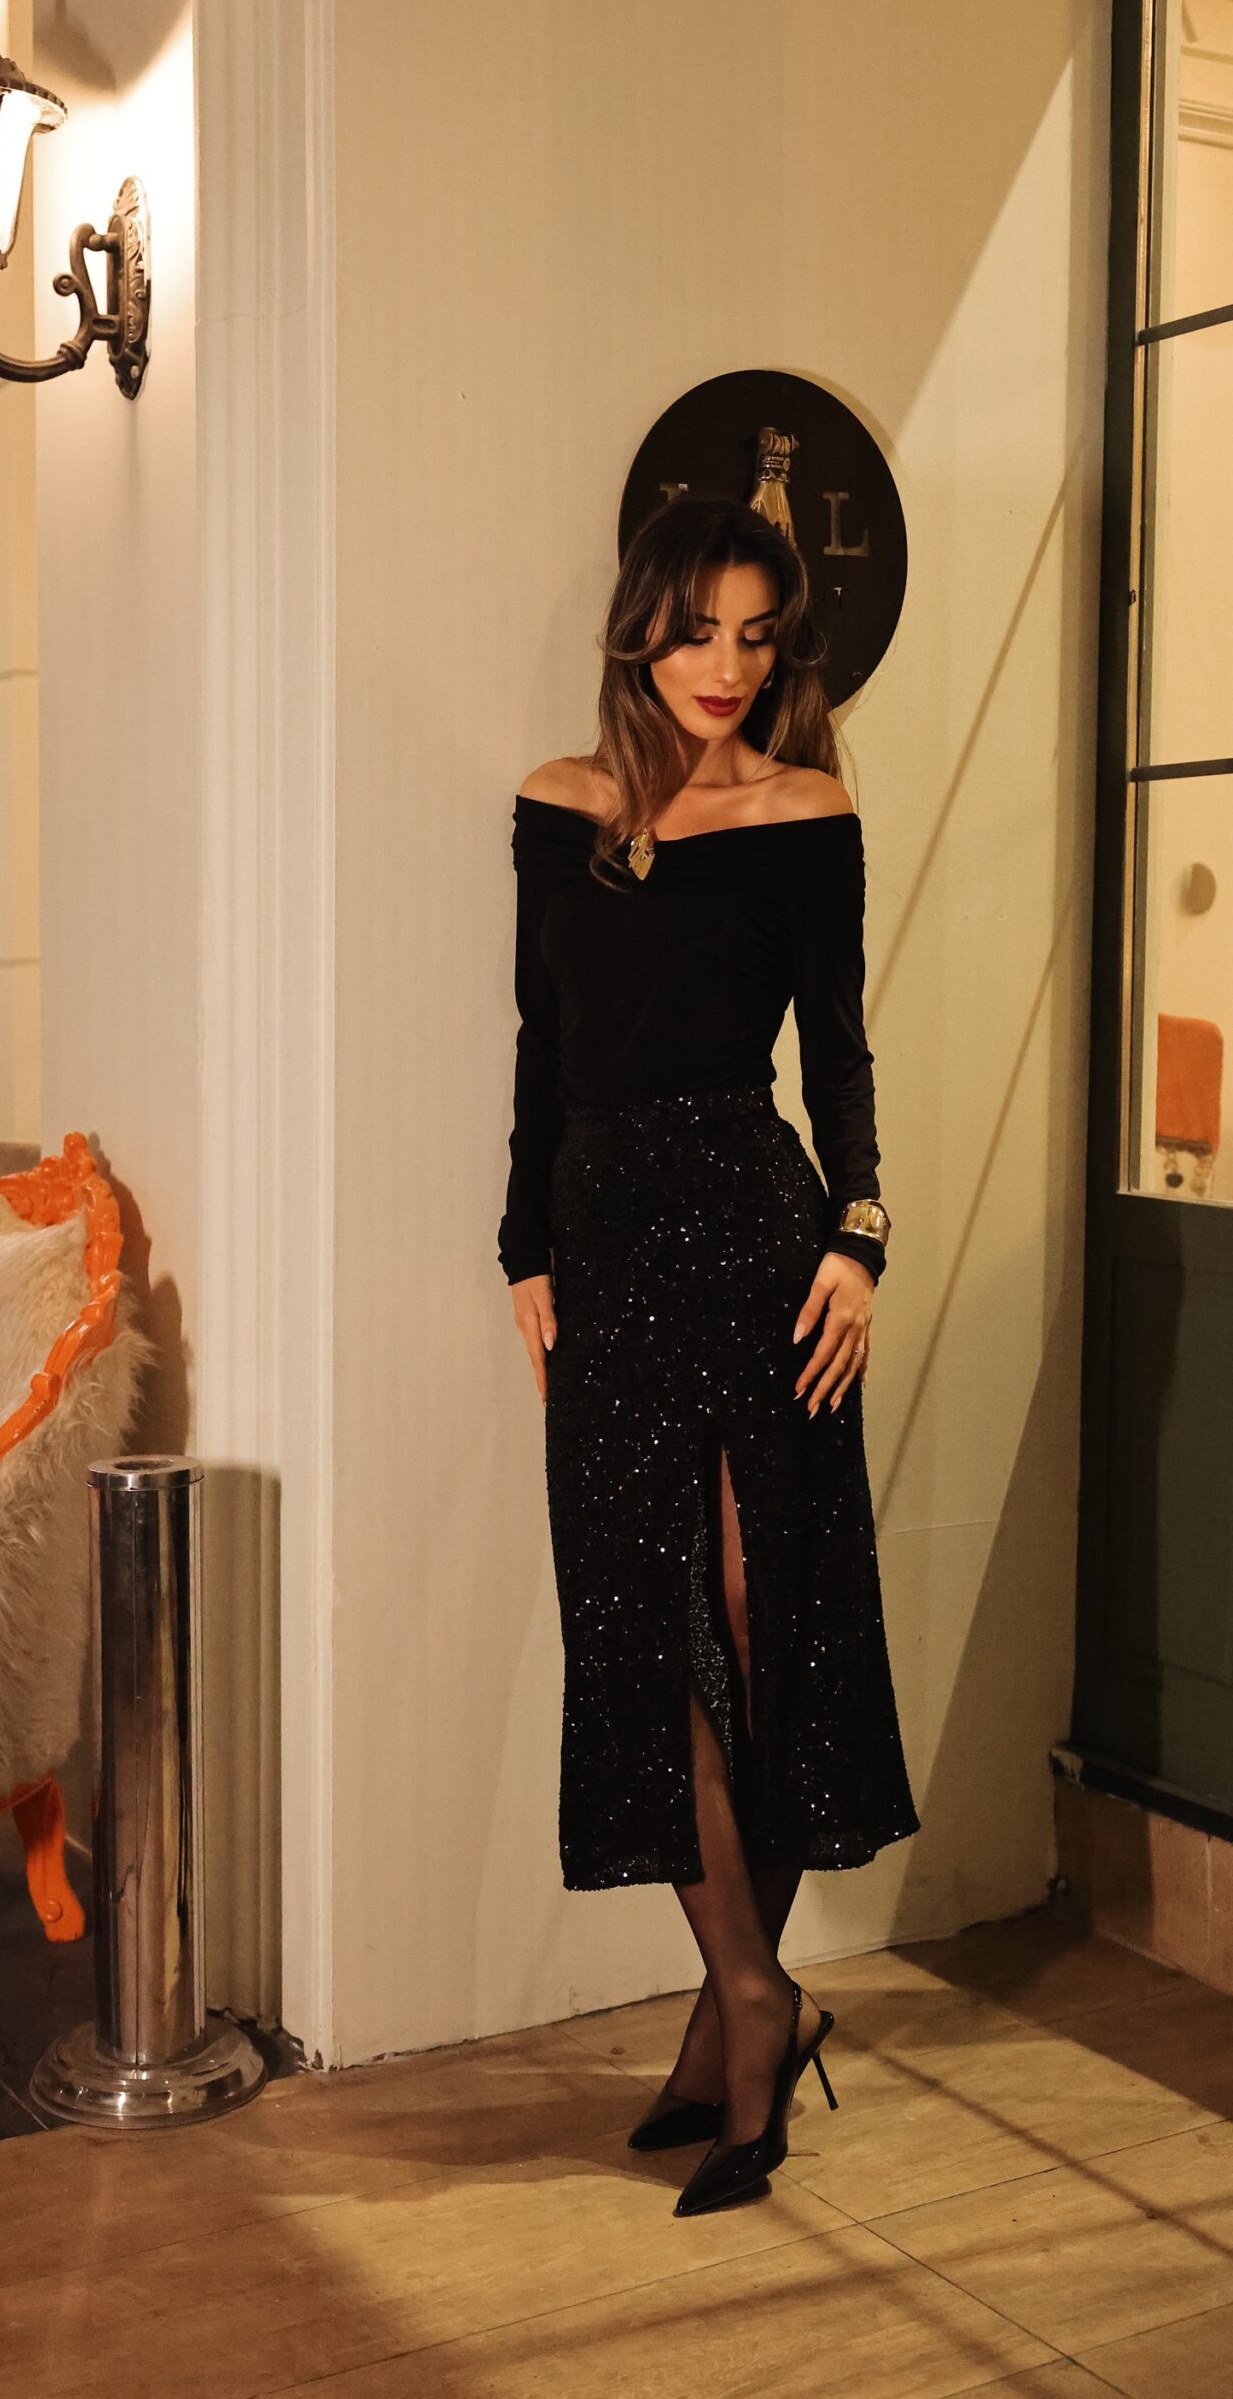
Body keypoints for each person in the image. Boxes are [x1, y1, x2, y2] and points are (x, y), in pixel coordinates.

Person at [497, 492, 920, 2219]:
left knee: (766, 1619)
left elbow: (842, 1053)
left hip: (761, 1240)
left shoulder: (807, 811)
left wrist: (860, 1236)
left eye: (755, 635)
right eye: (697, 633)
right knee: (640, 1620)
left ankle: (736, 2008)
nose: (726, 667)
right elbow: (540, 1044)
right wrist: (523, 1247)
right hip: (604, 1246)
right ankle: (754, 1995)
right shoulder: (558, 805)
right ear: (642, 631)